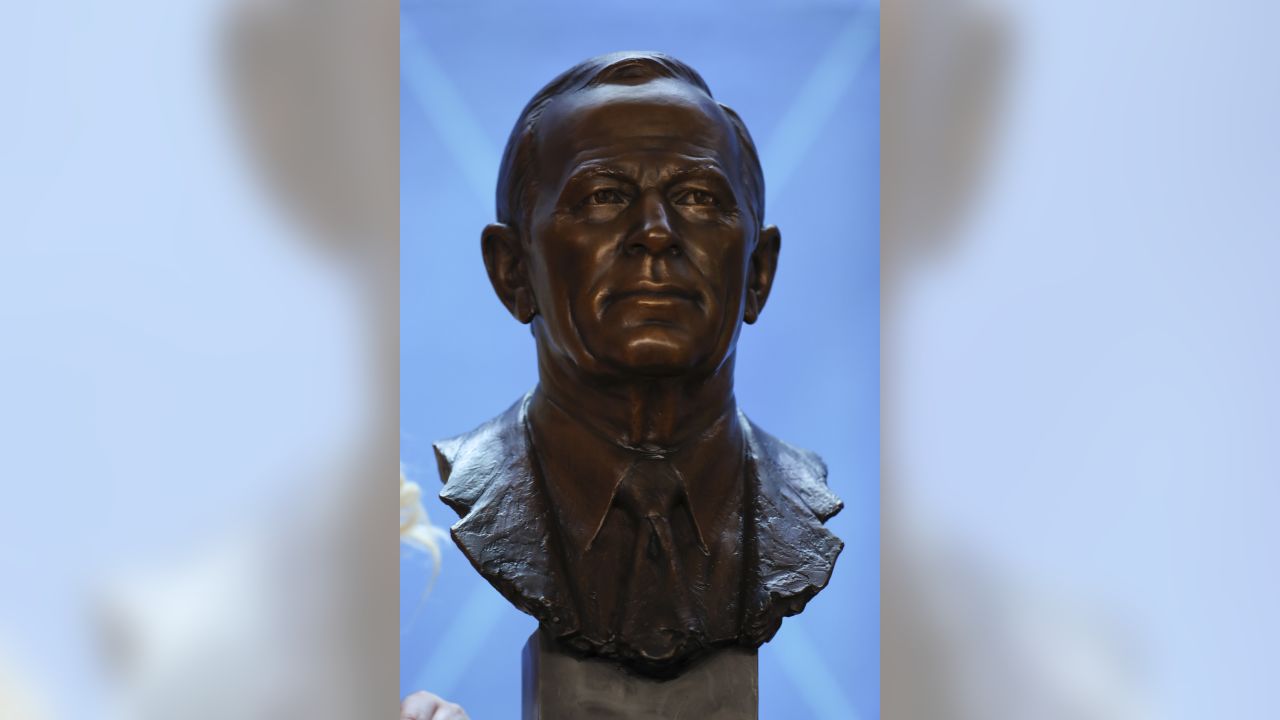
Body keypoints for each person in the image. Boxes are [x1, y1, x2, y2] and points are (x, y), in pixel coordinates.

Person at [435, 51, 844, 677]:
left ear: (758, 273)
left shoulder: (796, 502)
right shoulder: (479, 481)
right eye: (603, 196)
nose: (655, 232)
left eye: (698, 198)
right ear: (513, 270)